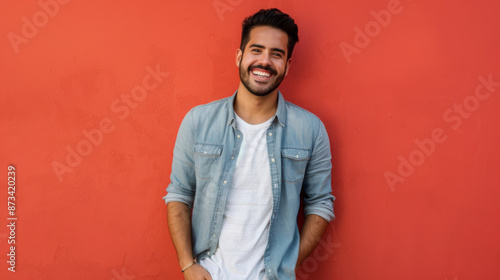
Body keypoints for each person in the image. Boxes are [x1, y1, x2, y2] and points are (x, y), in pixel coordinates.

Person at [163, 8, 335, 280]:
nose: (265, 61)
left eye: (276, 54)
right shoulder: (198, 121)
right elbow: (179, 195)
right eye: (257, 50)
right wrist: (188, 265)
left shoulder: (310, 130)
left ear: (288, 65)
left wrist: (287, 264)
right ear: (239, 56)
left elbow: (320, 204)